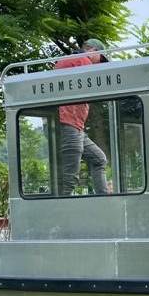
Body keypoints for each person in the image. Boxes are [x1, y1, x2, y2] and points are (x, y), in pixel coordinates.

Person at [55, 39, 110, 196]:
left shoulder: (70, 61)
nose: (100, 65)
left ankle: (104, 199)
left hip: (76, 125)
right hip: (69, 123)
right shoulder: (82, 60)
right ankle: (65, 212)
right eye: (101, 59)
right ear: (92, 50)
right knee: (70, 177)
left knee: (99, 159)